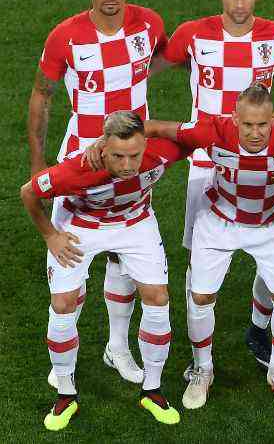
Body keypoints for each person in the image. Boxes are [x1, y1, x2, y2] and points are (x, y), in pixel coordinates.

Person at [104, 84, 274, 410]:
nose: (255, 133)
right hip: (219, 220)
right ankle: (203, 369)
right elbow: (158, 127)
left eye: (263, 124)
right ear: (234, 119)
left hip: (272, 223)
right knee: (201, 296)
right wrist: (104, 141)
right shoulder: (212, 130)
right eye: (247, 124)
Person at [150, 0, 274, 368]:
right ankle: (197, 348)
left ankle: (259, 324)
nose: (239, 5)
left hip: (259, 152)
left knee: (268, 241)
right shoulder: (191, 34)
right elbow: (149, 67)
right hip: (208, 157)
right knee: (197, 250)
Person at [27, 0, 166, 389]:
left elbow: (161, 60)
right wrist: (38, 164)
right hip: (82, 162)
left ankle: (118, 347)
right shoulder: (65, 36)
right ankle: (65, 363)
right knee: (70, 278)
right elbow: (41, 96)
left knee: (125, 255)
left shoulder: (149, 24)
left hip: (130, 158)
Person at [20, 112, 184, 430]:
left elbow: (195, 133)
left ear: (145, 145)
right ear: (102, 149)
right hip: (82, 226)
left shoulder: (161, 152)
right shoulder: (76, 169)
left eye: (133, 155)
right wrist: (51, 236)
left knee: (158, 296)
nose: (126, 165)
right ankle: (65, 394)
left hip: (135, 223)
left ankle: (153, 389)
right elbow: (29, 192)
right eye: (118, 156)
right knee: (63, 303)